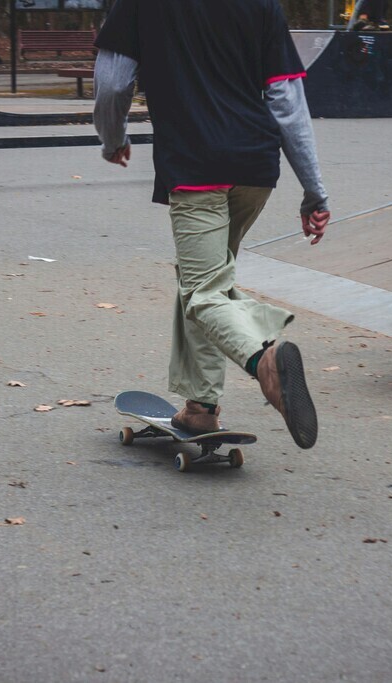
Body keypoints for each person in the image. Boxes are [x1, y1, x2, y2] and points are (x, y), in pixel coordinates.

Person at [93, 0, 331, 450]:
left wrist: (113, 138)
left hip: (196, 165)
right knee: (202, 280)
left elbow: (111, 84)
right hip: (254, 168)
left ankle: (265, 359)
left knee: (203, 292)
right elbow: (287, 99)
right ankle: (200, 408)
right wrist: (314, 190)